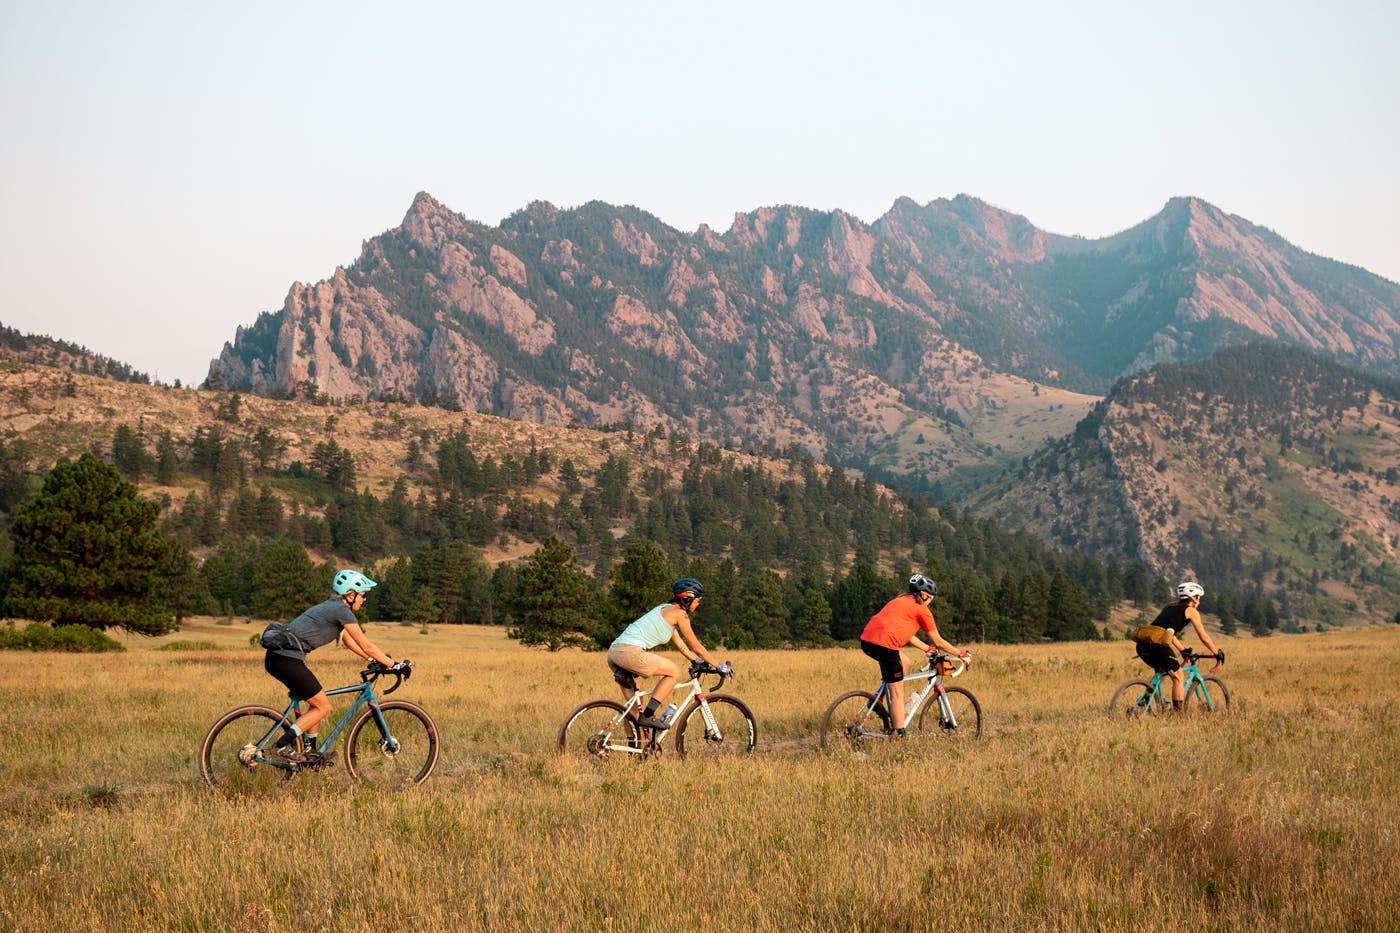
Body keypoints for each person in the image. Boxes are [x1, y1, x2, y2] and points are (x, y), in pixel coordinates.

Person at [260, 568, 402, 762]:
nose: (365, 599)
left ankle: (310, 753)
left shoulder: (334, 607)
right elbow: (366, 644)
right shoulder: (341, 611)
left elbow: (350, 642)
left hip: (279, 658)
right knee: (323, 707)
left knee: (315, 702)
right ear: (351, 595)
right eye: (363, 595)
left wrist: (376, 660)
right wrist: (394, 665)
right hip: (287, 660)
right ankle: (282, 744)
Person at [607, 577, 731, 730]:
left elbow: (681, 644)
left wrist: (696, 660)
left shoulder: (665, 609)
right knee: (673, 671)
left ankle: (633, 749)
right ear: (688, 598)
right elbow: (696, 646)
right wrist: (719, 666)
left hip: (614, 653)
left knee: (633, 708)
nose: (698, 604)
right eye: (698, 600)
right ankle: (649, 715)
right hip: (629, 652)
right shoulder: (680, 614)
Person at [859, 573, 971, 737]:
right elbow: (938, 641)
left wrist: (927, 648)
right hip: (885, 646)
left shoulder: (899, 601)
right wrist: (961, 654)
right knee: (897, 691)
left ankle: (878, 699)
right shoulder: (922, 610)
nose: (930, 602)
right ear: (925, 595)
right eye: (931, 598)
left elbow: (907, 634)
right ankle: (899, 735)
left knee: (904, 661)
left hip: (867, 641)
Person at [1134, 581, 1223, 711]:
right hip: (1157, 646)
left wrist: (1182, 650)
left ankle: (1144, 700)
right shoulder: (1191, 611)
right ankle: (1177, 714)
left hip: (1142, 645)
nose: (1199, 600)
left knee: (1162, 672)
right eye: (1199, 597)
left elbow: (1168, 632)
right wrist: (1216, 653)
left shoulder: (1169, 607)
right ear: (1194, 597)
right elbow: (1204, 637)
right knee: (1179, 676)